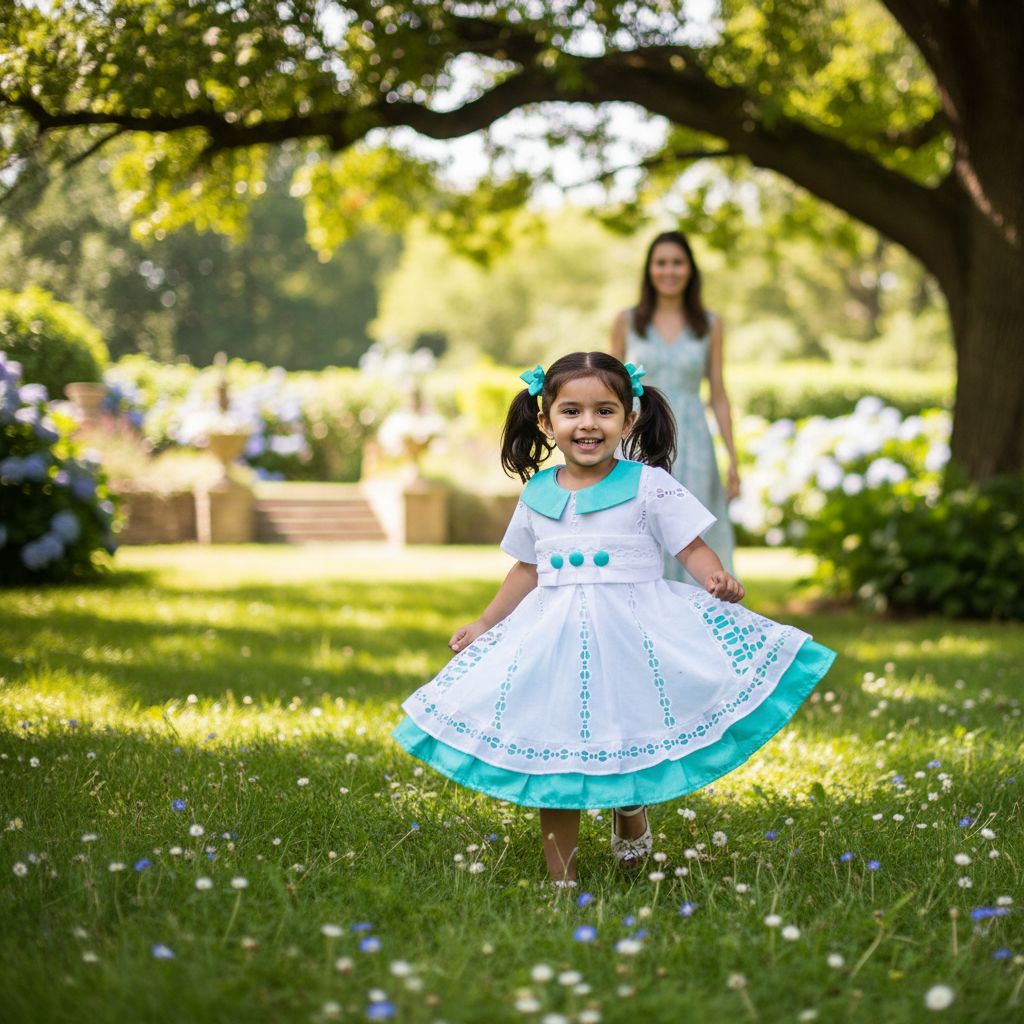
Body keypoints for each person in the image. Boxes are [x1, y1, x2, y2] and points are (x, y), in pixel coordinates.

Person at [392, 352, 835, 885]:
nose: (587, 424)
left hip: (635, 634)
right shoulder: (536, 494)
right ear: (546, 420)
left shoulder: (649, 485)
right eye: (572, 411)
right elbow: (526, 568)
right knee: (555, 750)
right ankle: (563, 880)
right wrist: (487, 624)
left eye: (604, 411)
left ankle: (630, 809)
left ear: (629, 420)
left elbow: (691, 545)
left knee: (627, 726)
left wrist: (714, 575)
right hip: (552, 639)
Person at [611, 230, 738, 584]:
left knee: (691, 526)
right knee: (637, 519)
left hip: (692, 440)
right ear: (650, 269)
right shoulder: (627, 321)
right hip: (639, 434)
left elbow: (718, 393)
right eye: (661, 262)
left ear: (690, 269)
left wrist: (733, 459)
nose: (669, 271)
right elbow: (607, 387)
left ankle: (699, 614)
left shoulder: (709, 326)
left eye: (677, 263)